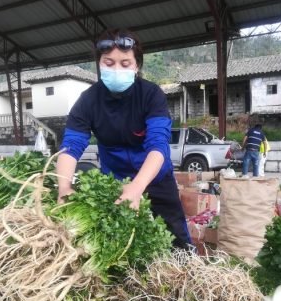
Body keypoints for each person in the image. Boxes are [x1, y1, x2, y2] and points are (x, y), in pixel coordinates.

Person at [56, 28, 191, 249]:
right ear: (99, 64)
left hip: (156, 178)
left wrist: (137, 187)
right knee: (122, 243)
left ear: (136, 66)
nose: (116, 69)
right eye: (109, 63)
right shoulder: (88, 100)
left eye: (125, 64)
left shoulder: (151, 94)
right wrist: (64, 187)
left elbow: (158, 145)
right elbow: (71, 147)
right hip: (114, 181)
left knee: (176, 237)